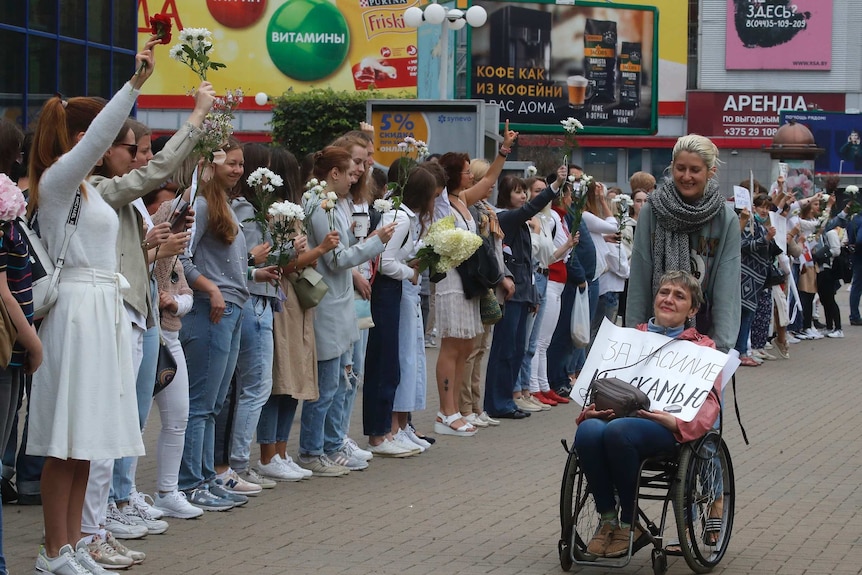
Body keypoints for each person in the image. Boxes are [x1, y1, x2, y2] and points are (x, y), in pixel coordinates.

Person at [25, 39, 157, 575]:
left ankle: (76, 541)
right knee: (66, 439)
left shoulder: (90, 189)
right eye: (105, 137)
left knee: (90, 439)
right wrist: (135, 84)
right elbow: (103, 133)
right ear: (83, 139)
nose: (115, 145)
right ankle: (53, 549)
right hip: (77, 311)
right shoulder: (58, 182)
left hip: (102, 306)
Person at [574, 270, 722, 558]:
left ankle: (630, 523)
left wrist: (677, 422)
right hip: (612, 418)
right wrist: (588, 412)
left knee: (619, 431)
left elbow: (709, 406)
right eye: (664, 293)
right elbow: (598, 381)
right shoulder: (629, 338)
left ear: (692, 310)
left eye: (679, 296)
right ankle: (608, 520)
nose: (668, 299)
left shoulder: (703, 348)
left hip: (663, 429)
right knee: (588, 432)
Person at [178, 137, 279, 510]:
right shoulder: (202, 205)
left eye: (240, 164)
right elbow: (183, 260)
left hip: (233, 308)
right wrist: (211, 290)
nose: (237, 170)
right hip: (212, 311)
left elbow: (228, 266)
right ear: (211, 165)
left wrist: (254, 271)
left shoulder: (227, 206)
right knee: (201, 403)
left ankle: (206, 477)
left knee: (217, 403)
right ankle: (191, 482)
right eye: (230, 163)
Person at [298, 146, 394, 475]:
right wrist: (374, 242)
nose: (354, 177)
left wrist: (366, 243)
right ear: (333, 173)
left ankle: (328, 445)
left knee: (340, 380)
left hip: (339, 301)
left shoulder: (333, 203)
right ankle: (312, 451)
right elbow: (336, 258)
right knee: (326, 385)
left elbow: (342, 251)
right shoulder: (318, 204)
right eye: (349, 169)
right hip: (327, 301)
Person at [433, 122, 517, 435]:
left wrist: (504, 151)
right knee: (452, 346)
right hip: (451, 281)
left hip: (468, 282)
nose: (471, 175)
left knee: (467, 344)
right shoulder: (443, 202)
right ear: (454, 175)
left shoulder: (462, 200)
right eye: (467, 171)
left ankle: (455, 409)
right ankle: (446, 411)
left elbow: (490, 180)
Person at [626, 134, 741, 353]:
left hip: (704, 334)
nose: (686, 176)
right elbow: (639, 279)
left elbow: (728, 291)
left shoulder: (726, 219)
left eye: (695, 170)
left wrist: (720, 348)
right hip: (653, 332)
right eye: (680, 168)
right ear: (672, 167)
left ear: (710, 172)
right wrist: (634, 336)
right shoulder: (652, 211)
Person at [483, 171, 562, 419]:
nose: (523, 195)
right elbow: (529, 210)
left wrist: (533, 296)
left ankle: (507, 398)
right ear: (507, 195)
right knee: (505, 349)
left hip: (524, 292)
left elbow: (529, 262)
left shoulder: (524, 223)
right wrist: (554, 187)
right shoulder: (506, 217)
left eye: (523, 191)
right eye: (517, 191)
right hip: (511, 294)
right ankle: (497, 401)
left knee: (517, 349)